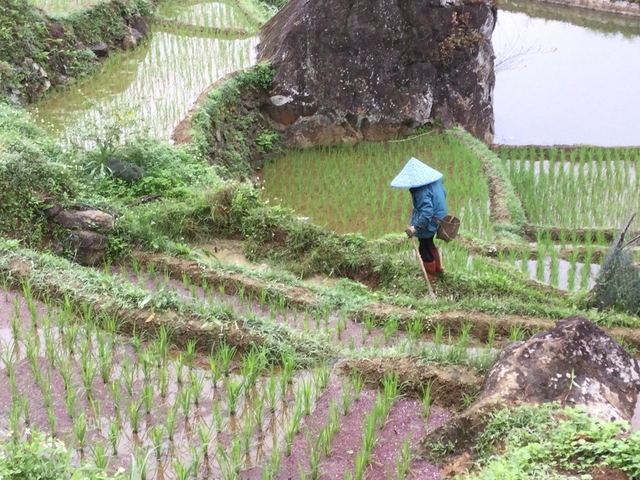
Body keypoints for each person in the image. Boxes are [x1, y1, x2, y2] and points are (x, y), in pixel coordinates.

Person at [390, 157, 448, 283]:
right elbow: (444, 194)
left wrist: (415, 227)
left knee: (424, 247)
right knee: (429, 243)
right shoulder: (436, 182)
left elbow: (426, 213)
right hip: (439, 217)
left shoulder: (421, 191)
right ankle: (438, 268)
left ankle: (430, 276)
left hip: (430, 220)